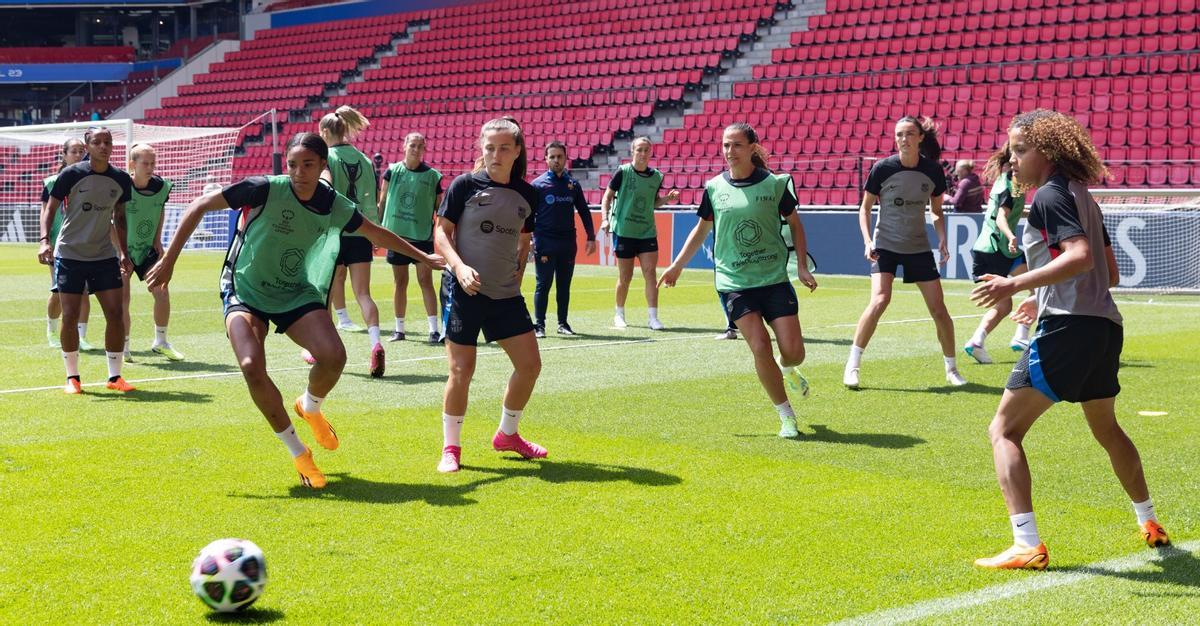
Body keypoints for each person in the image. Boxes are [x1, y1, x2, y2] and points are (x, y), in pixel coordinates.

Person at [145, 132, 443, 488]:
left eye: (308, 165)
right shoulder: (264, 188)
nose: (299, 172)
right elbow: (198, 206)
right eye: (292, 164)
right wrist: (169, 261)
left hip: (295, 292)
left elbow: (376, 233)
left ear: (322, 166)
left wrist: (423, 256)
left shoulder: (334, 204)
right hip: (245, 288)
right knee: (251, 366)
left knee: (334, 357)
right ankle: (299, 453)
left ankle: (310, 406)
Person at [970, 109, 1169, 569]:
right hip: (1104, 328)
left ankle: (1026, 543)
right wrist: (1042, 297)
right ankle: (1149, 520)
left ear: (1049, 151)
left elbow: (1078, 257)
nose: (1012, 160)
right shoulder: (1084, 196)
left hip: (1070, 329)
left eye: (1020, 150)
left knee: (1003, 429)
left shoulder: (1050, 196)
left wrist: (1015, 285)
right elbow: (1108, 273)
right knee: (1106, 428)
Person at [661, 123, 818, 437]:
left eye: (736, 145)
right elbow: (701, 230)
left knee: (794, 352)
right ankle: (786, 416)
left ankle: (786, 367)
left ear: (751, 147)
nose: (729, 152)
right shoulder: (714, 187)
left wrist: (801, 266)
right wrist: (676, 266)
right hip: (734, 282)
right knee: (759, 346)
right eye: (725, 145)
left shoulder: (776, 184)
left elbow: (796, 225)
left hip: (773, 279)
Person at [433, 117, 546, 473]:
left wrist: (521, 262)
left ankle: (507, 434)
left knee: (530, 366)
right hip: (463, 290)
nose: (495, 154)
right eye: (489, 147)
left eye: (503, 148)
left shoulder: (529, 194)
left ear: (517, 151)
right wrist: (459, 268)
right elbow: (441, 234)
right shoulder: (464, 185)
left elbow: (525, 235)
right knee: (462, 370)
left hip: (505, 293)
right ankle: (451, 448)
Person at [843, 115, 967, 389]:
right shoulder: (882, 168)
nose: (903, 139)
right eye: (899, 134)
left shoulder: (933, 171)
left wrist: (943, 239)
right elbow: (864, 209)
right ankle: (852, 365)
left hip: (918, 247)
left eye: (909, 133)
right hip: (885, 244)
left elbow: (936, 212)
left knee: (939, 310)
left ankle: (951, 368)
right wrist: (867, 241)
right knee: (880, 300)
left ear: (920, 137)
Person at [38, 127, 136, 394]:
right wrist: (45, 240)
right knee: (69, 315)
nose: (103, 146)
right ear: (87, 145)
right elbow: (51, 207)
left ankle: (115, 377)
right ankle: (73, 378)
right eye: (97, 142)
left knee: (115, 314)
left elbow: (121, 217)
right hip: (70, 253)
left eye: (108, 142)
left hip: (104, 254)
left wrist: (124, 253)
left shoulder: (120, 179)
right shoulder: (71, 174)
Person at [317, 106, 386, 377]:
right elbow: (370, 200)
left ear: (324, 132)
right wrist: (373, 232)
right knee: (364, 294)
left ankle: (319, 349)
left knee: (323, 293)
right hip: (360, 230)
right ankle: (376, 343)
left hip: (335, 232)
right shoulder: (364, 159)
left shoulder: (326, 158)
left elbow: (324, 192)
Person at [599, 137, 679, 330]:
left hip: (647, 232)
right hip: (624, 231)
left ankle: (653, 318)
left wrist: (667, 199)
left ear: (651, 152)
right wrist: (604, 218)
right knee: (625, 277)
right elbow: (607, 196)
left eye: (646, 150)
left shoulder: (657, 176)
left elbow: (653, 203)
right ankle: (619, 314)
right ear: (633, 152)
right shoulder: (623, 172)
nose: (643, 154)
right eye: (639, 150)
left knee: (650, 274)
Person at [963, 146, 1030, 364]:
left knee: (1030, 291)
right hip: (996, 249)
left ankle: (979, 341)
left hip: (995, 250)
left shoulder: (1011, 181)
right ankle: (1017, 337)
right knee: (1034, 289)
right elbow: (1002, 217)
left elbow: (1014, 211)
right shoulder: (1009, 185)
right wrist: (1011, 236)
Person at [120, 143, 183, 363]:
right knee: (123, 299)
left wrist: (157, 240)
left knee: (162, 292)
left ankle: (161, 342)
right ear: (132, 164)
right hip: (123, 252)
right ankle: (124, 346)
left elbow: (160, 210)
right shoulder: (121, 186)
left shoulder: (162, 187)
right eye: (145, 163)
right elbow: (111, 221)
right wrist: (120, 251)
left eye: (152, 163)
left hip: (147, 249)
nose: (150, 167)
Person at [379, 132, 443, 344]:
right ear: (404, 146)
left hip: (421, 238)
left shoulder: (433, 176)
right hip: (395, 237)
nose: (416, 149)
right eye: (412, 145)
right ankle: (399, 330)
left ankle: (434, 330)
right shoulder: (392, 172)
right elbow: (382, 202)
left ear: (424, 149)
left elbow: (440, 208)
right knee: (400, 282)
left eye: (420, 146)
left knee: (426, 281)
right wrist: (377, 232)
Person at [530, 140, 596, 337]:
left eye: (559, 156)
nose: (556, 160)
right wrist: (530, 238)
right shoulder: (537, 185)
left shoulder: (573, 185)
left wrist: (591, 237)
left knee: (564, 286)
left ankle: (563, 324)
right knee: (543, 284)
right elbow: (528, 215)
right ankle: (539, 326)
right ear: (546, 159)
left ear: (565, 158)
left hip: (567, 243)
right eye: (552, 157)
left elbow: (584, 211)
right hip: (544, 242)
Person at [41, 138, 93, 350]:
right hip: (58, 244)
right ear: (64, 155)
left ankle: (82, 336)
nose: (79, 155)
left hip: (85, 244)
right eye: (74, 151)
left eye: (82, 151)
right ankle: (52, 330)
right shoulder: (52, 182)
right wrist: (44, 241)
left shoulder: (92, 180)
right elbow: (45, 212)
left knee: (84, 291)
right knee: (58, 291)